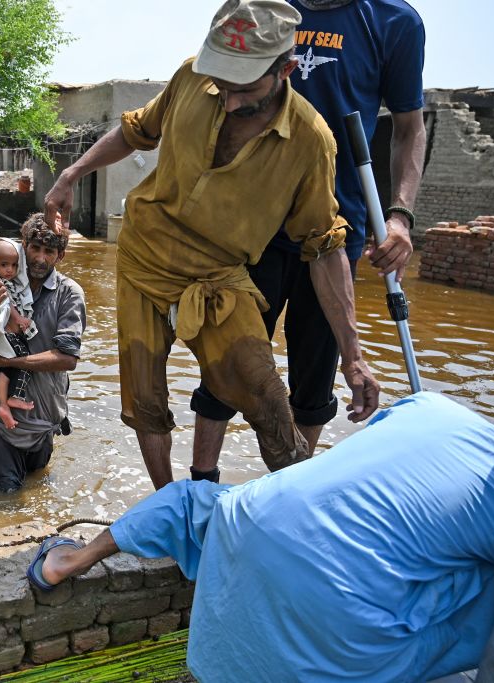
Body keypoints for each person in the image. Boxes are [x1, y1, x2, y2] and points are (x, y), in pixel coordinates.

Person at [43, 0, 380, 490]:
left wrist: (352, 355)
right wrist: (72, 173)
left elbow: (324, 248)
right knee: (145, 399)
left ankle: (292, 505)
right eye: (220, 83)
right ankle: (172, 505)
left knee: (263, 391)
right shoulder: (190, 80)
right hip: (145, 256)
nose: (226, 99)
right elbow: (136, 131)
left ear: (285, 70)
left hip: (221, 272)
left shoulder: (311, 141)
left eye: (243, 89)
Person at [27, 392, 494, 682]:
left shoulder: (429, 404)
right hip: (325, 643)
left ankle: (68, 561)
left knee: (191, 502)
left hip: (224, 612)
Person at [189, 0, 427, 481]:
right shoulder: (261, 9)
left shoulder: (394, 22)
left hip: (335, 226)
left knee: (316, 373)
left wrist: (399, 216)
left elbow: (409, 128)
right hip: (253, 224)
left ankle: (286, 495)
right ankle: (200, 488)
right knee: (228, 358)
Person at [0, 214, 85, 492]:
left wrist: (12, 362)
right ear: (23, 245)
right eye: (34, 248)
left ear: (60, 256)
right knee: (3, 495)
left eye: (49, 251)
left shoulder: (68, 294)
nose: (39, 257)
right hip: (0, 415)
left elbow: (67, 359)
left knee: (37, 483)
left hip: (44, 415)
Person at [0, 235, 38, 430]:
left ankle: (4, 405)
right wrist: (19, 318)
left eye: (14, 264)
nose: (10, 270)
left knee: (6, 369)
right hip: (7, 334)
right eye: (4, 264)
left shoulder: (5, 281)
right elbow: (7, 304)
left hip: (5, 336)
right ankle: (13, 397)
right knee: (24, 361)